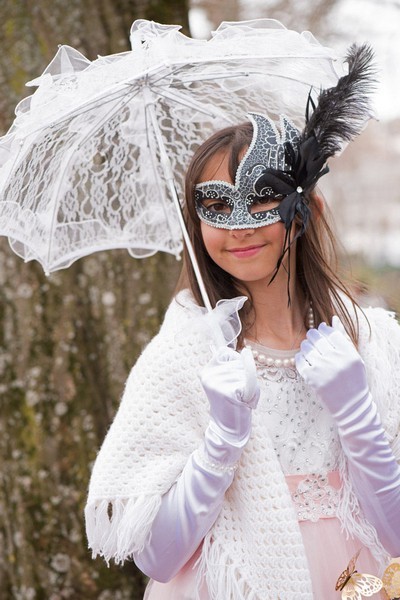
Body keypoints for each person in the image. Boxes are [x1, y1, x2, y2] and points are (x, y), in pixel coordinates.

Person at [84, 40, 400, 600]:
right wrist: (221, 442)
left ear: (306, 209)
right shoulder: (182, 357)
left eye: (261, 200)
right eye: (215, 206)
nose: (238, 227)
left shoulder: (371, 341)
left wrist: (356, 413)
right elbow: (158, 556)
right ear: (195, 223)